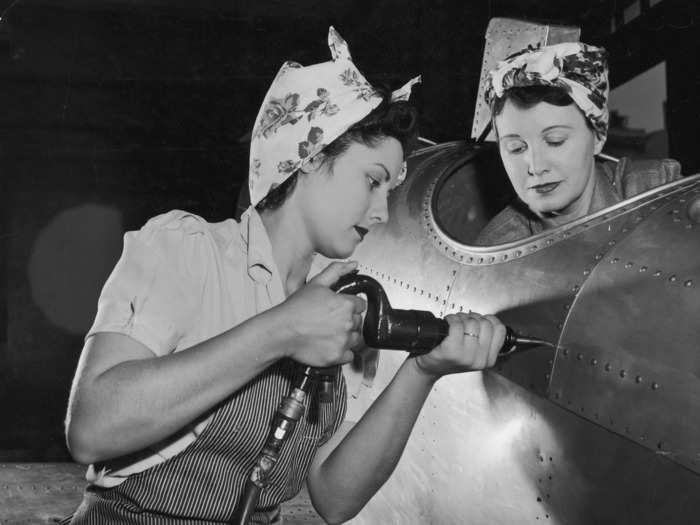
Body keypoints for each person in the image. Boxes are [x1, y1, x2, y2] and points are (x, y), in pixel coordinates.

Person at [63, 27, 506, 524]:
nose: (381, 212)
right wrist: (281, 331)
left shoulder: (336, 303)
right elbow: (91, 427)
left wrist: (423, 372)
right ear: (312, 156)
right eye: (373, 181)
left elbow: (335, 498)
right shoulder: (189, 250)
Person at [475, 42, 681, 245]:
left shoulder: (661, 190)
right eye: (516, 148)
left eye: (555, 141)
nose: (536, 167)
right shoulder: (496, 250)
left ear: (598, 137)